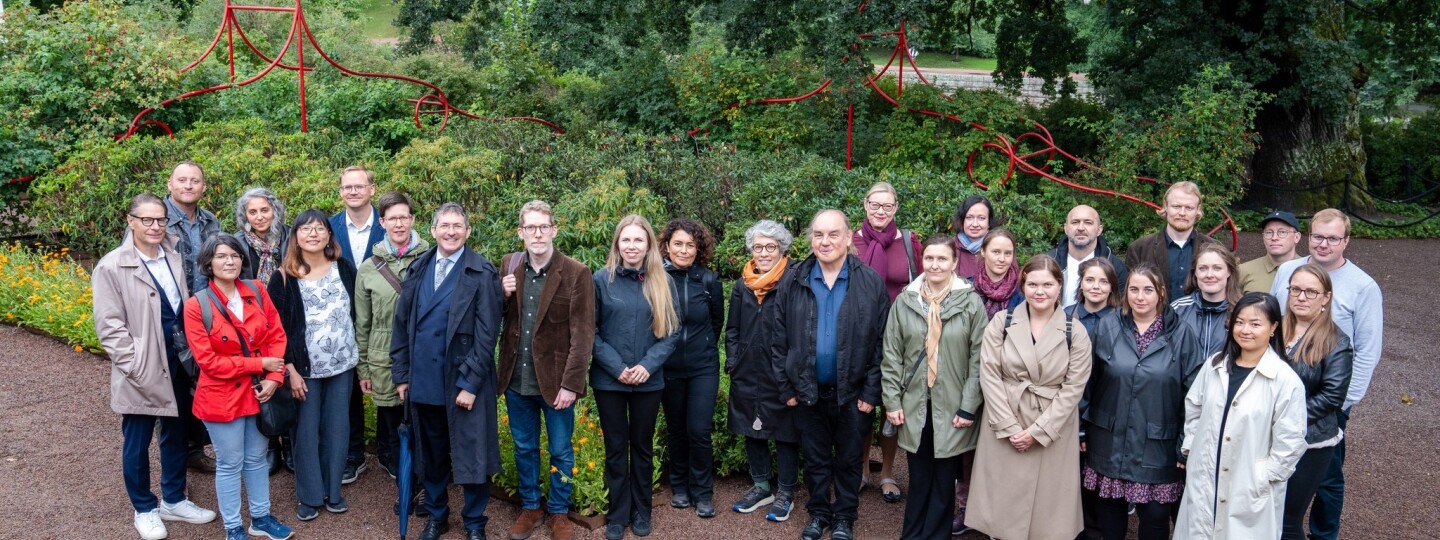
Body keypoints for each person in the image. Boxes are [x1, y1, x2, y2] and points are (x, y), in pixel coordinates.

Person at [94, 193, 217, 540]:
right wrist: (134, 364)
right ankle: (144, 508)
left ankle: (174, 499)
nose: (154, 226)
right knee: (137, 439)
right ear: (130, 221)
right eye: (146, 219)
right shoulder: (112, 266)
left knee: (176, 433)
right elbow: (109, 326)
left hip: (178, 359)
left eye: (160, 219)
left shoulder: (173, 256)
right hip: (143, 365)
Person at [772, 209, 888, 540]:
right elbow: (778, 339)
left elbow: (883, 342)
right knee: (816, 459)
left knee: (850, 461)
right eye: (819, 234)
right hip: (806, 391)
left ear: (849, 237)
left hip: (852, 394)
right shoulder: (794, 279)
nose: (825, 241)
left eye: (833, 234)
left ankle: (844, 517)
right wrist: (786, 387)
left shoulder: (869, 282)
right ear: (811, 239)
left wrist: (871, 392)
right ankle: (820, 513)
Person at [392, 202, 504, 540]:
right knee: (433, 456)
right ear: (433, 231)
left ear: (467, 232)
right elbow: (401, 326)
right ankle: (437, 516)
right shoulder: (418, 268)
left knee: (472, 456)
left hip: (463, 383)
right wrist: (402, 374)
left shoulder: (482, 272)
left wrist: (470, 383)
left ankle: (473, 523)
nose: (451, 231)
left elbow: (488, 335)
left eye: (458, 226)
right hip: (424, 382)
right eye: (445, 226)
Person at [1269, 209, 1383, 540]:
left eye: (1333, 238)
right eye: (1318, 236)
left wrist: (1342, 404)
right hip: (1280, 396)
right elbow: (1277, 322)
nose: (1324, 244)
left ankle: (1323, 534)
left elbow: (1368, 351)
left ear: (1346, 241)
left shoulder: (1363, 287)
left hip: (1326, 402)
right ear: (1308, 236)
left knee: (1327, 478)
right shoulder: (1289, 270)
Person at [967, 254, 1092, 540]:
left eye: (1047, 284)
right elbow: (989, 373)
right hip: (1005, 420)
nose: (1040, 291)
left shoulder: (1076, 331)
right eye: (1033, 284)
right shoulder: (1002, 321)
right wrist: (1009, 427)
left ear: (1060, 286)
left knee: (1047, 515)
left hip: (1052, 428)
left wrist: (1039, 431)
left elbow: (1074, 388)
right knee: (1003, 507)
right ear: (1023, 286)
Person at [183, 234, 294, 540]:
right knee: (230, 462)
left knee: (256, 458)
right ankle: (233, 526)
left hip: (259, 391)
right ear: (208, 263)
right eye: (221, 256)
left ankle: (260, 517)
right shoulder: (197, 306)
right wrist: (261, 367)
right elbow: (209, 362)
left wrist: (274, 379)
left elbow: (276, 334)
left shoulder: (257, 290)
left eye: (234, 255)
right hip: (220, 396)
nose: (229, 261)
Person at [497, 200, 596, 540]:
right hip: (516, 379)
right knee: (523, 447)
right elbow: (492, 317)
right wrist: (501, 294)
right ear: (520, 232)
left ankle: (558, 511)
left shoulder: (576, 273)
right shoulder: (509, 267)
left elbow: (583, 335)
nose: (537, 233)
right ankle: (530, 506)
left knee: (561, 450)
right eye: (530, 227)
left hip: (556, 384)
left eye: (543, 227)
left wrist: (572, 384)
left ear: (554, 229)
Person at [1082, 265, 1202, 540]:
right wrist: (1081, 428)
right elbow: (1086, 382)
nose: (1140, 297)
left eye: (1148, 290)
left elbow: (1195, 395)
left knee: (1156, 516)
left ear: (1161, 293)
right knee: (1109, 514)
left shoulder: (1182, 334)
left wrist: (1186, 442)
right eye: (1134, 289)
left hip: (1158, 444)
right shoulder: (1108, 327)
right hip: (1108, 439)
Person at [1174, 293, 1308, 540]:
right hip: (1206, 474)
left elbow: (1291, 442)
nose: (1245, 330)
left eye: (1255, 324)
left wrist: (1263, 477)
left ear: (1273, 328)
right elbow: (1194, 408)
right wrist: (1193, 449)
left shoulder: (1284, 380)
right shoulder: (1215, 365)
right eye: (1239, 322)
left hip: (1250, 487)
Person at [880, 236, 987, 540]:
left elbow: (979, 359)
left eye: (942, 259)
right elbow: (891, 355)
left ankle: (937, 535)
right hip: (914, 403)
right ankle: (912, 535)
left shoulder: (970, 302)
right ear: (922, 261)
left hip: (953, 405)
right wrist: (892, 401)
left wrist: (969, 405)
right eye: (929, 259)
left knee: (944, 482)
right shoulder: (906, 300)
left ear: (955, 263)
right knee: (919, 476)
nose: (935, 265)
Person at [591, 214, 681, 540]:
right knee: (616, 448)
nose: (631, 246)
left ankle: (642, 512)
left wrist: (647, 365)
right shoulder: (601, 280)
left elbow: (671, 331)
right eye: (625, 239)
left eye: (638, 240)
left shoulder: (662, 281)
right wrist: (617, 368)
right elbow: (591, 333)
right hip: (609, 382)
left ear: (648, 245)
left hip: (648, 381)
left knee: (642, 448)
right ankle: (617, 515)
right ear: (617, 243)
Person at [267, 210, 359, 521]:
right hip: (303, 370)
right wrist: (289, 369)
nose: (313, 234)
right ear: (295, 237)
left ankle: (333, 491)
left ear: (329, 236)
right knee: (305, 432)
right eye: (306, 229)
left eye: (320, 228)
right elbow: (274, 329)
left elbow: (357, 315)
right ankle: (308, 496)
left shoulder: (344, 268)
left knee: (337, 428)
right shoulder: (282, 277)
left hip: (342, 365)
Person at [850, 182, 921, 504]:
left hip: (901, 337)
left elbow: (921, 284)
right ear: (865, 204)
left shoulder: (908, 241)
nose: (881, 211)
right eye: (875, 205)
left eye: (887, 206)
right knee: (863, 403)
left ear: (896, 207)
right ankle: (863, 470)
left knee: (893, 407)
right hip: (860, 335)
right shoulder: (851, 240)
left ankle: (888, 473)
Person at [725, 220, 801, 522]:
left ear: (781, 249)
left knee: (785, 433)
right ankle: (760, 486)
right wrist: (733, 360)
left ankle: (785, 492)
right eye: (759, 247)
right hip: (746, 369)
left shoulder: (793, 281)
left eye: (771, 247)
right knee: (750, 429)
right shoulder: (742, 285)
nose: (764, 253)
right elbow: (732, 329)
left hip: (780, 371)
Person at [354, 192, 429, 486]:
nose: (398, 224)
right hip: (383, 355)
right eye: (392, 218)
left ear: (412, 219)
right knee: (391, 421)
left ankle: (424, 479)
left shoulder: (431, 258)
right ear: (382, 222)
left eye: (404, 217)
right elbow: (363, 322)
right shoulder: (368, 268)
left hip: (423, 353)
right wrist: (364, 368)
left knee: (423, 418)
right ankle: (401, 478)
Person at [1278, 264, 1353, 540]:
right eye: (1296, 289)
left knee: (1287, 522)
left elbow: (1333, 396)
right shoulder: (1274, 329)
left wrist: (1285, 419)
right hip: (1266, 436)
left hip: (1309, 441)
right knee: (1262, 514)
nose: (1301, 297)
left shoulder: (1336, 341)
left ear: (1326, 298)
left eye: (1311, 291)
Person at [658, 218, 725, 517]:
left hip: (702, 368)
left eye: (690, 245)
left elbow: (716, 322)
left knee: (698, 430)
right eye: (678, 244)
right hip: (667, 367)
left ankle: (703, 491)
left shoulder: (709, 281)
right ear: (667, 246)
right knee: (676, 429)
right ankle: (680, 487)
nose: (684, 250)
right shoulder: (655, 278)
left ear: (699, 249)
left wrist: (702, 349)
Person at [165, 160, 224, 473]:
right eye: (182, 180)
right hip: (171, 314)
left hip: (206, 312)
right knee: (174, 383)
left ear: (203, 187)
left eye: (195, 181)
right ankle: (176, 457)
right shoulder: (156, 219)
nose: (189, 186)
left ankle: (195, 449)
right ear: (170, 184)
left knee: (201, 378)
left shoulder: (209, 221)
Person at [328, 165, 384, 483]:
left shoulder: (388, 224)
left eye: (359, 186)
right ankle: (353, 454)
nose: (353, 191)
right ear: (340, 192)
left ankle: (389, 451)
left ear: (371, 189)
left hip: (382, 321)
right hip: (341, 323)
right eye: (347, 187)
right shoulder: (328, 227)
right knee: (347, 392)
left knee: (389, 386)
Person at [1124, 181, 1223, 297]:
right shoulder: (1139, 248)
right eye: (1176, 206)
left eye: (1189, 208)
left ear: (1198, 209)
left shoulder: (1216, 249)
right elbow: (1129, 294)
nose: (1182, 213)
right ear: (1165, 206)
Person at [1046, 204, 1128, 309]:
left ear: (1099, 230)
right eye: (1075, 222)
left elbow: (1121, 309)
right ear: (1065, 228)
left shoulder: (1114, 266)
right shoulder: (1049, 262)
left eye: (1088, 223)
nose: (1081, 228)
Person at [1169, 243, 1242, 357]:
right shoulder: (1177, 309)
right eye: (1202, 268)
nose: (1209, 275)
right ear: (1195, 273)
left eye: (1217, 268)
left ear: (1229, 272)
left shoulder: (1242, 310)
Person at [1237, 211, 1302, 294]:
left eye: (1282, 232)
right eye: (1269, 232)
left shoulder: (1309, 269)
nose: (1274, 238)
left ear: (1297, 237)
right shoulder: (1243, 271)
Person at [235, 187, 290, 283]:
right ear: (245, 215)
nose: (259, 217)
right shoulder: (237, 242)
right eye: (253, 212)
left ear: (274, 211)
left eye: (264, 210)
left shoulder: (291, 236)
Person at [971, 229, 1024, 319]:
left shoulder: (1022, 290)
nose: (1002, 259)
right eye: (996, 252)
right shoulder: (968, 287)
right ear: (983, 251)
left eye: (1007, 253)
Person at [1066, 258, 1121, 337]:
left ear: (1112, 287)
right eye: (1089, 280)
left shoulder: (1122, 319)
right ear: (1081, 283)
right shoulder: (1066, 315)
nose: (1096, 286)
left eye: (1104, 282)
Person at [951, 195, 998, 280]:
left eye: (981, 218)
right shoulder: (949, 248)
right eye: (969, 218)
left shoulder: (1000, 247)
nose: (975, 224)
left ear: (989, 222)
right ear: (962, 220)